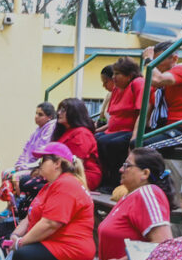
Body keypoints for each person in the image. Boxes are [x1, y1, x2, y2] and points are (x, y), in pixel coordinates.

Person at [6, 142, 95, 260]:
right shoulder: (50, 185)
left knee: (23, 255)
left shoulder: (67, 184)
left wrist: (21, 243)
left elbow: (50, 224)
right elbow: (30, 217)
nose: (40, 165)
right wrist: (15, 235)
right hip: (57, 243)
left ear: (57, 163)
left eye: (43, 160)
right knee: (11, 243)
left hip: (72, 249)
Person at [138, 41, 182, 150]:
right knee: (129, 143)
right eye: (154, 61)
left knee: (143, 148)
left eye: (158, 61)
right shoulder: (158, 87)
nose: (155, 65)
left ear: (174, 59)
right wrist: (134, 137)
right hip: (162, 128)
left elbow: (156, 79)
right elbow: (144, 114)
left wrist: (149, 60)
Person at [96, 58, 147, 189]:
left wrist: (134, 137)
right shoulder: (116, 89)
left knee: (111, 144)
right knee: (95, 139)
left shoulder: (138, 83)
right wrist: (97, 130)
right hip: (114, 130)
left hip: (129, 130)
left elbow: (143, 113)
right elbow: (113, 118)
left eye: (117, 74)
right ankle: (102, 178)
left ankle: (115, 182)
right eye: (113, 74)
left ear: (129, 75)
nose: (114, 77)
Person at [52, 98, 102, 191]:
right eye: (59, 110)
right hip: (62, 171)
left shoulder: (82, 133)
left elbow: (75, 163)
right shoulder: (65, 131)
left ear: (74, 112)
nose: (58, 113)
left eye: (63, 110)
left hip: (83, 175)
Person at [11, 102, 57, 174]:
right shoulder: (37, 130)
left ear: (49, 117)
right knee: (6, 173)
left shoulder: (50, 128)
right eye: (36, 113)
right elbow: (26, 149)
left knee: (14, 176)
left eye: (40, 114)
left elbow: (40, 152)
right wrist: (19, 164)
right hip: (26, 165)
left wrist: (24, 167)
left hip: (36, 167)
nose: (36, 116)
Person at [94, 65, 116, 132]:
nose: (103, 85)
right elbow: (102, 119)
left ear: (115, 79)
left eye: (106, 82)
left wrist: (96, 131)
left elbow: (114, 123)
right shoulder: (109, 95)